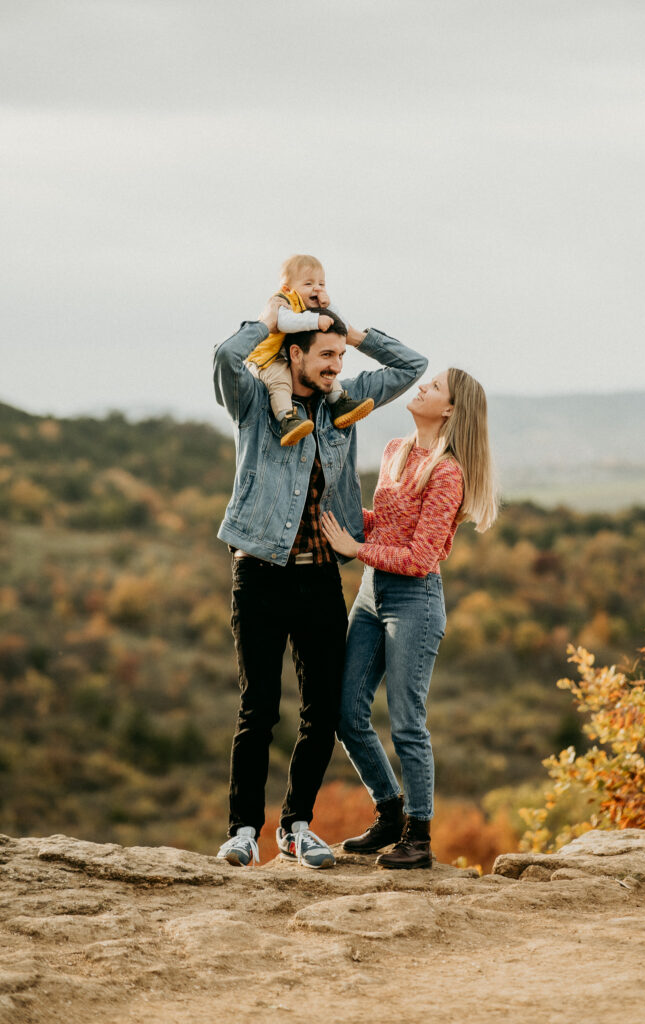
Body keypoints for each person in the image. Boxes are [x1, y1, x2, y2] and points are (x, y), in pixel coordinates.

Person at [213, 292, 427, 869]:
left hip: (321, 579)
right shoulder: (256, 401)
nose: (336, 365)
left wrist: (349, 332)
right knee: (259, 709)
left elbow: (413, 365)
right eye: (325, 355)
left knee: (322, 710)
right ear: (295, 354)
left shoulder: (343, 405)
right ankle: (242, 831)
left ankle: (295, 828)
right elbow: (225, 358)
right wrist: (274, 319)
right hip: (259, 575)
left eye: (340, 356)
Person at [321, 368, 499, 869]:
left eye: (434, 387)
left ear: (450, 409)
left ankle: (418, 838)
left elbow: (420, 557)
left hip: (414, 601)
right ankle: (389, 813)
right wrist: (339, 520)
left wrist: (355, 548)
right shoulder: (395, 450)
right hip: (371, 594)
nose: (422, 387)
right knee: (346, 712)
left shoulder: (448, 473)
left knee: (406, 724)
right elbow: (386, 525)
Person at [246, 254, 374, 446]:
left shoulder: (307, 308)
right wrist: (316, 320)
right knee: (280, 381)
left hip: (283, 353)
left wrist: (328, 306)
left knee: (326, 369)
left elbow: (340, 323)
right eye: (308, 284)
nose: (317, 288)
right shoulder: (282, 301)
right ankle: (287, 419)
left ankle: (339, 404)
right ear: (287, 288)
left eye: (322, 284)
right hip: (264, 359)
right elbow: (285, 323)